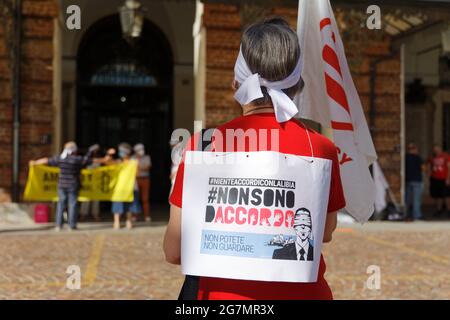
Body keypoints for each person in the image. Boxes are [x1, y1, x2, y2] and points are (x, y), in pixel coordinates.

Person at [163, 17, 345, 300]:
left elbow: (174, 251)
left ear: (236, 82)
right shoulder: (320, 147)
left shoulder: (205, 145)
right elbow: (323, 233)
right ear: (297, 86)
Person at [29, 141, 99, 231]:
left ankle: (58, 225)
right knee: (72, 204)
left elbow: (47, 160)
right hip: (73, 185)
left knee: (61, 204)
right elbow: (88, 160)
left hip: (61, 185)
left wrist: (35, 163)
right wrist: (96, 155)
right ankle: (71, 225)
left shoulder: (60, 159)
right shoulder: (76, 160)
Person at [110, 143, 141, 229]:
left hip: (124, 188)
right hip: (128, 188)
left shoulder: (130, 162)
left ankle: (117, 223)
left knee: (119, 205)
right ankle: (128, 222)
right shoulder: (132, 162)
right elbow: (138, 174)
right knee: (129, 206)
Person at [405, 143, 425, 221]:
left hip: (408, 180)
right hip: (417, 180)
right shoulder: (418, 158)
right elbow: (423, 168)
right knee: (416, 199)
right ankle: (417, 215)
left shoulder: (405, 157)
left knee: (407, 199)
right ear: (414, 149)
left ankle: (405, 214)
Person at [428, 145, 449, 216]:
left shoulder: (446, 156)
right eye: (434, 150)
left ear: (440, 149)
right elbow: (429, 166)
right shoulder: (432, 157)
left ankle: (449, 210)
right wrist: (429, 174)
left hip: (444, 178)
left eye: (437, 149)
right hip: (435, 179)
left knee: (447, 195)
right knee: (438, 196)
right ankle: (439, 210)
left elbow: (449, 168)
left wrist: (448, 178)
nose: (436, 151)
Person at [132, 143, 152, 222]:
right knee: (135, 198)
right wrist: (139, 167)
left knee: (145, 199)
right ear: (136, 151)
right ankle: (135, 216)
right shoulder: (133, 158)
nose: (141, 151)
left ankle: (147, 215)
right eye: (139, 150)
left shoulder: (147, 157)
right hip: (135, 179)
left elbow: (147, 167)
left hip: (145, 179)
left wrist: (138, 167)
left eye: (142, 149)